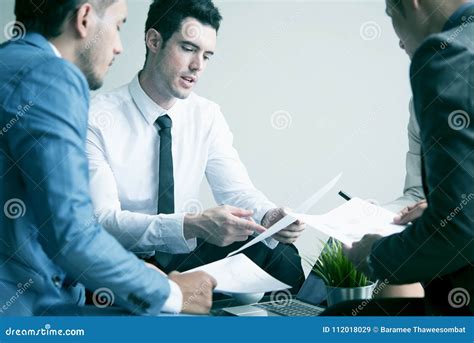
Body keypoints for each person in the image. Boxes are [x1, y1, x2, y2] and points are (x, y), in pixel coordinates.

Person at [0, 0, 215, 316]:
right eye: (118, 26)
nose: (118, 48)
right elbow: (72, 235)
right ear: (84, 18)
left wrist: (136, 274)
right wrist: (171, 293)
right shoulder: (51, 75)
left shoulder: (10, 61)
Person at [87, 0, 305, 291]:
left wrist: (269, 216)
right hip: (122, 260)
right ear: (154, 41)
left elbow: (237, 190)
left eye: (207, 55)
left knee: (280, 255)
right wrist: (190, 225)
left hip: (183, 254)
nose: (197, 66)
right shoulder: (95, 117)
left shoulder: (207, 114)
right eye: (188, 48)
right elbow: (104, 221)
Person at [344, 0, 474, 315]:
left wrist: (375, 255)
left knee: (336, 321)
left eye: (391, 14)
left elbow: (460, 229)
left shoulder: (447, 56)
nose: (400, 40)